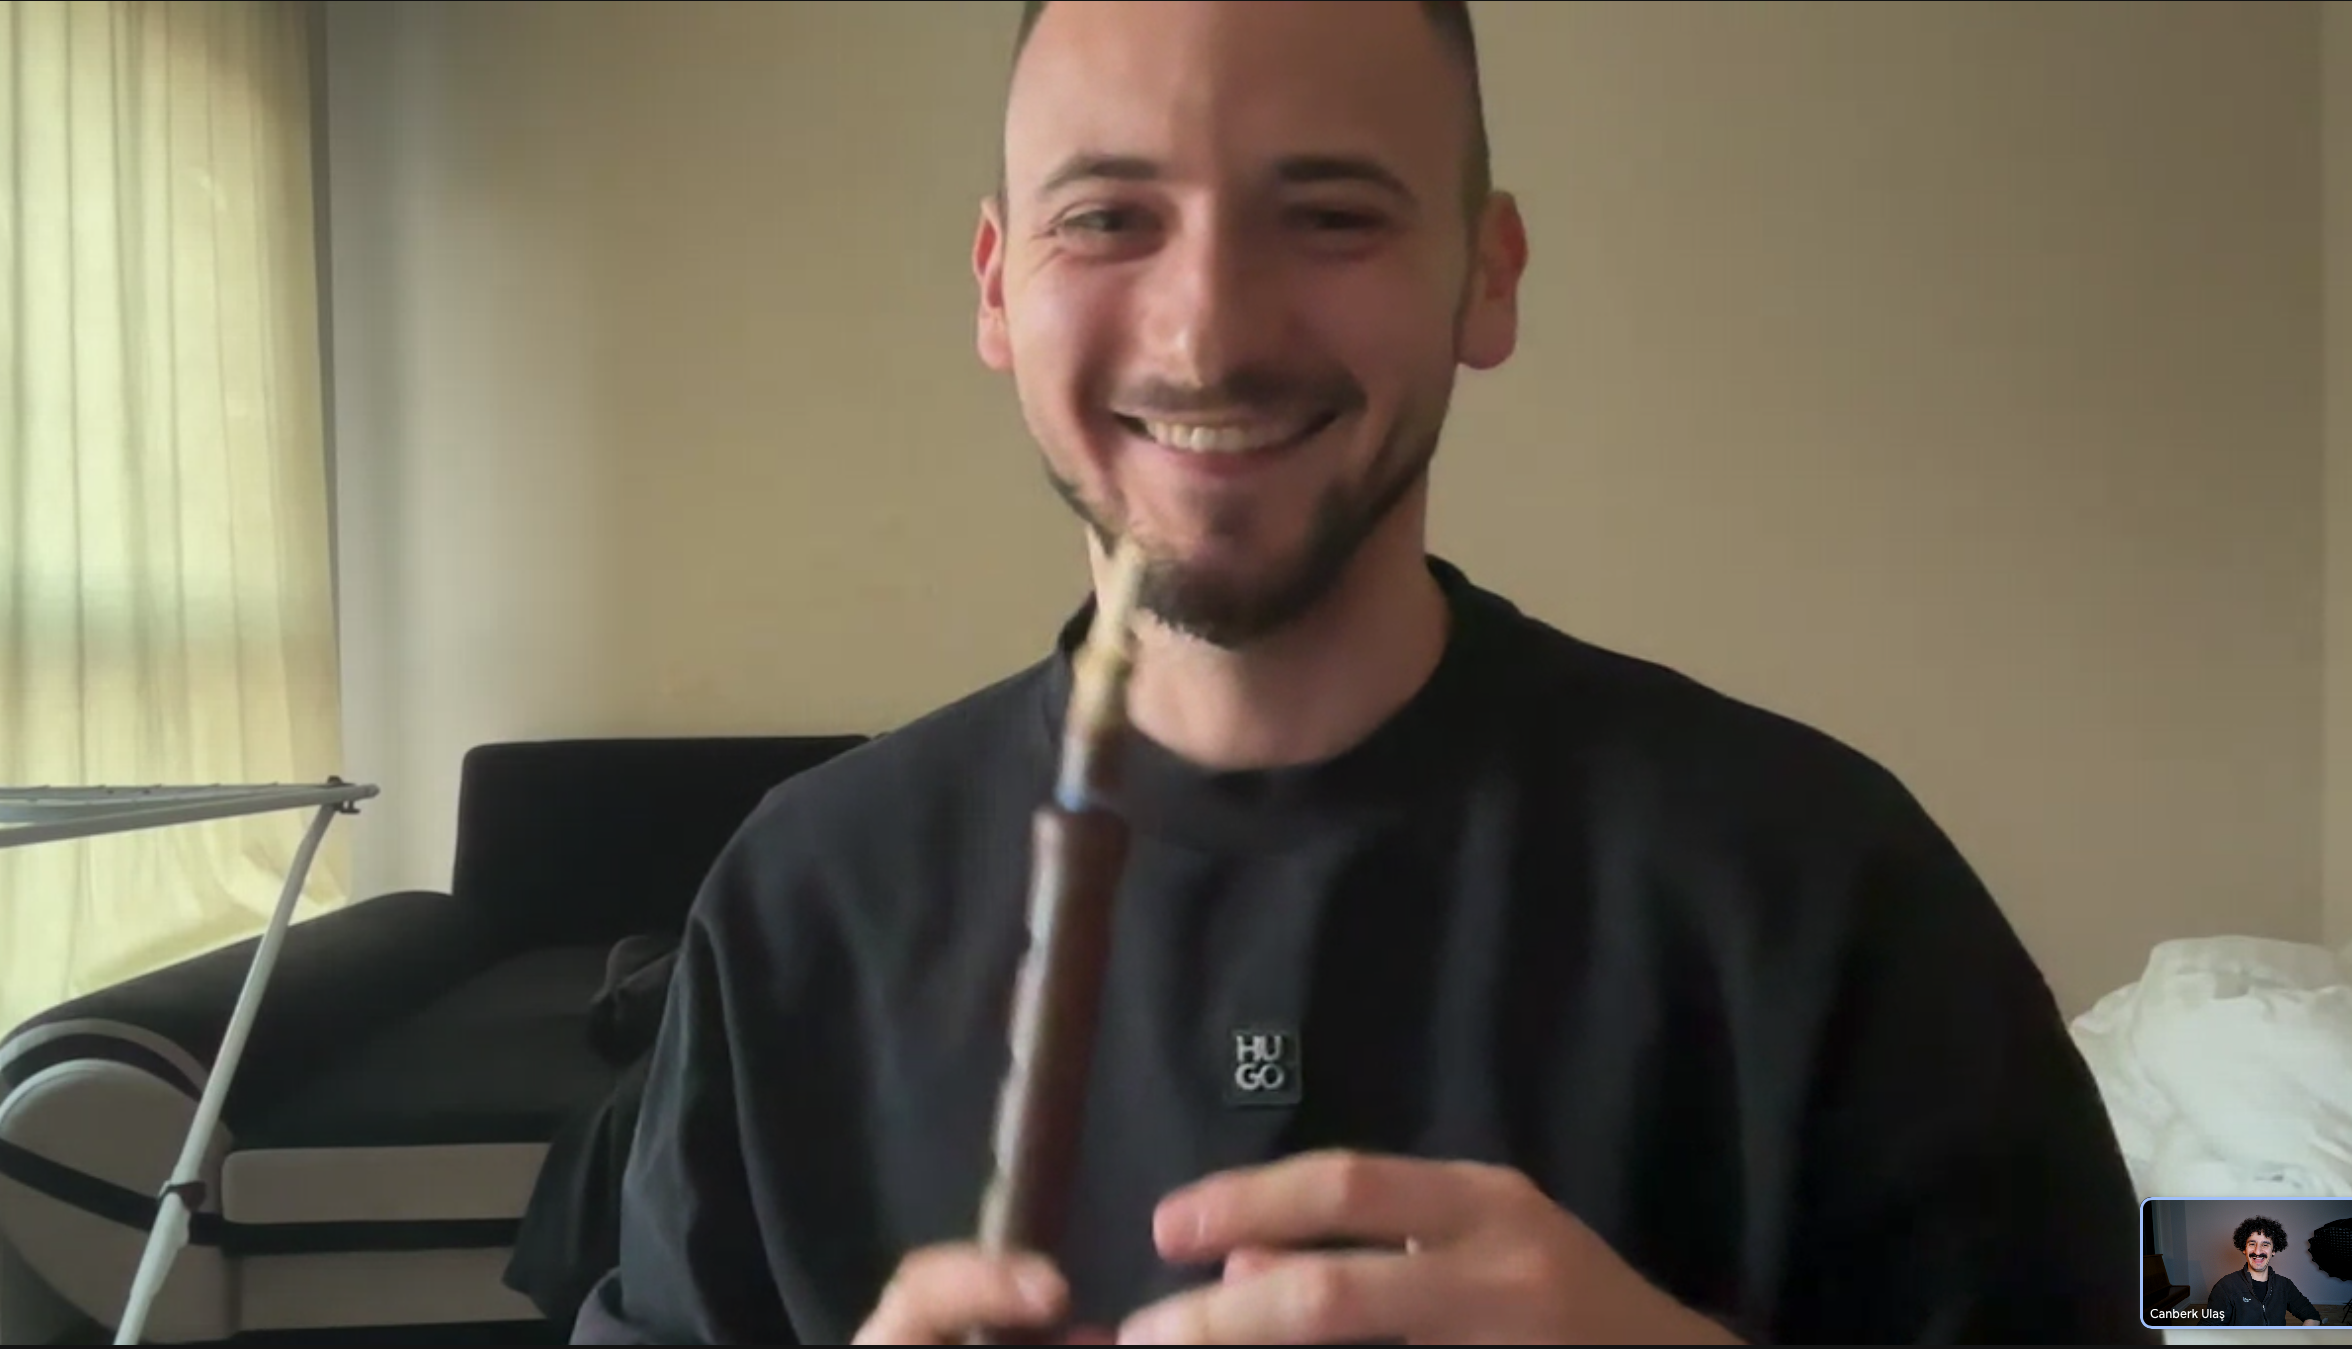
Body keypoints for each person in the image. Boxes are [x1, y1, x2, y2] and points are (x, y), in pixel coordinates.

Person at [572, 2, 2156, 1343]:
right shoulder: (797, 901)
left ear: (1487, 273)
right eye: (1108, 217)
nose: (1208, 330)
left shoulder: (1820, 879)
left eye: (1329, 212)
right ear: (997, 284)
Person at [2205, 1217, 2325, 1327]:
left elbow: (2312, 1316)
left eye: (2265, 1244)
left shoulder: (2284, 1285)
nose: (2257, 1251)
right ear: (2244, 1249)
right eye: (2252, 1244)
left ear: (2274, 1250)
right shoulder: (2225, 1286)